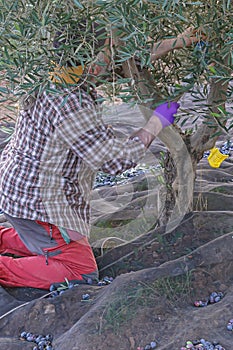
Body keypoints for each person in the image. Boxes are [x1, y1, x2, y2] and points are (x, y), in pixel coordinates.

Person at [0, 23, 202, 290]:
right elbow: (115, 161)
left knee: (58, 238)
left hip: (17, 188)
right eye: (108, 50)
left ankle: (18, 239)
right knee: (80, 271)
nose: (113, 55)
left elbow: (126, 61)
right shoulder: (71, 105)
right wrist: (155, 123)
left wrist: (179, 40)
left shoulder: (53, 74)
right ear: (91, 61)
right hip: (38, 206)